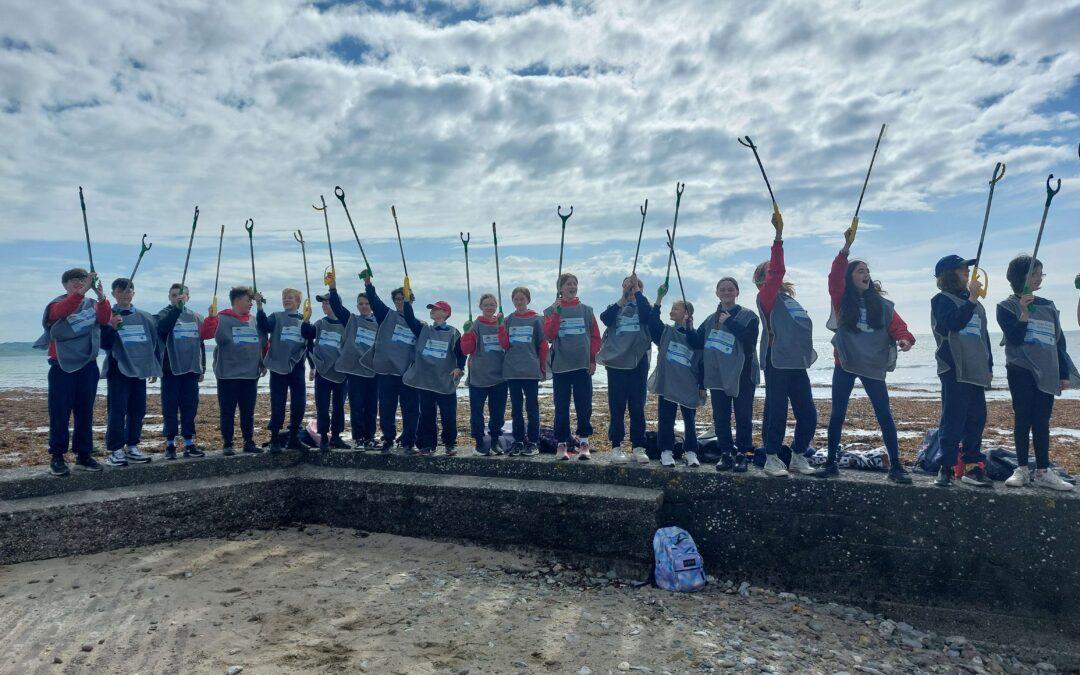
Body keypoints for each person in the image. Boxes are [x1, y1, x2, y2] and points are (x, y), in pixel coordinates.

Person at [822, 234, 915, 483]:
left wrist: (904, 340)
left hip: (872, 365)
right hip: (846, 362)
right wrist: (845, 250)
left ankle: (896, 467)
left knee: (884, 413)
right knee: (837, 414)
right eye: (860, 271)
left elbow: (898, 326)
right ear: (850, 277)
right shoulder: (841, 300)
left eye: (867, 271)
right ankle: (831, 463)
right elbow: (834, 278)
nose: (865, 274)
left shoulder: (882, 304)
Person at [998, 255, 1080, 491]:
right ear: (1020, 278)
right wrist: (1023, 312)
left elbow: (1059, 342)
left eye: (1040, 274)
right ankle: (1022, 469)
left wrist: (1063, 373)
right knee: (1022, 418)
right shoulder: (1006, 306)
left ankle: (1043, 471)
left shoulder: (1049, 305)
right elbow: (1014, 338)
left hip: (1047, 371)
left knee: (1042, 421)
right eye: (1034, 274)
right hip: (1020, 369)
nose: (1039, 278)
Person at [754, 212, 820, 477]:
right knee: (777, 411)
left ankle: (798, 454)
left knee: (808, 413)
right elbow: (777, 270)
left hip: (797, 362)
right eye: (769, 273)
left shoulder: (791, 300)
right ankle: (771, 456)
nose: (774, 275)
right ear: (763, 279)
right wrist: (778, 238)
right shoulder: (766, 296)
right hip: (777, 359)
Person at [37, 268, 112, 476]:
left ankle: (84, 455)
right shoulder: (56, 304)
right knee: (59, 413)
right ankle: (57, 457)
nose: (79, 282)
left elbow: (105, 319)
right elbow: (60, 313)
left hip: (88, 366)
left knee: (85, 412)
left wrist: (101, 295)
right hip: (61, 366)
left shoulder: (93, 304)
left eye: (82, 279)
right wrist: (82, 291)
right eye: (73, 280)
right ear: (65, 285)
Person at [930, 255, 993, 487]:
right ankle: (945, 467)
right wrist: (972, 300)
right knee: (953, 419)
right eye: (961, 269)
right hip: (954, 368)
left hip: (976, 368)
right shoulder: (941, 300)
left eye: (967, 268)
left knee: (977, 418)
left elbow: (983, 338)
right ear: (948, 274)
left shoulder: (976, 304)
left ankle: (973, 466)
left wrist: (989, 366)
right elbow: (951, 324)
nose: (967, 271)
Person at [100, 278, 162, 467]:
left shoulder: (145, 317)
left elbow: (153, 343)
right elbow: (105, 344)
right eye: (121, 291)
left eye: (129, 291)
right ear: (114, 294)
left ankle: (132, 446)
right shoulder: (108, 315)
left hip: (140, 371)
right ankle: (115, 449)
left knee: (138, 410)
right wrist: (111, 327)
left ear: (133, 293)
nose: (125, 294)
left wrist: (153, 366)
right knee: (117, 411)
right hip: (118, 370)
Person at [700, 277, 759, 473]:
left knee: (743, 416)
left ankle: (742, 454)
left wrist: (731, 322)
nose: (726, 293)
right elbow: (695, 342)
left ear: (737, 292)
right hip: (718, 377)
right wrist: (687, 326)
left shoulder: (749, 316)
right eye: (722, 290)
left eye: (730, 289)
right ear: (717, 293)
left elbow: (750, 342)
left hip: (743, 374)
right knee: (721, 417)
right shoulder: (710, 320)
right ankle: (726, 454)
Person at [156, 283, 218, 460]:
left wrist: (202, 368)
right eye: (174, 295)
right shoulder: (163, 313)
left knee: (189, 408)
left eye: (181, 295)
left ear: (188, 297)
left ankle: (189, 443)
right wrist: (176, 309)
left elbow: (201, 341)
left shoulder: (196, 317)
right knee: (169, 408)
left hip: (191, 370)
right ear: (170, 297)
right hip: (170, 370)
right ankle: (170, 444)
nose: (178, 298)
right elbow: (163, 328)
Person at [544, 273, 601, 460]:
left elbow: (595, 337)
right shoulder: (551, 310)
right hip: (561, 366)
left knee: (584, 405)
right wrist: (556, 314)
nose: (572, 287)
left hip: (582, 366)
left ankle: (583, 441)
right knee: (561, 406)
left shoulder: (586, 310)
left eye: (575, 284)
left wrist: (592, 359)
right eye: (568, 284)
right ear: (560, 288)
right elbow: (550, 336)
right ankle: (562, 444)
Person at [646, 288, 705, 467]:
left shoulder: (696, 335)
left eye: (676, 308)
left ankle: (691, 452)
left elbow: (700, 358)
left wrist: (702, 385)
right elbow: (651, 321)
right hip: (668, 383)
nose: (671, 311)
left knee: (690, 420)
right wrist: (658, 299)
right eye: (671, 308)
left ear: (686, 313)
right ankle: (666, 451)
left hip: (689, 384)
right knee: (665, 417)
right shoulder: (665, 332)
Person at [597, 273, 651, 463]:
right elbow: (605, 318)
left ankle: (638, 446)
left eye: (634, 287)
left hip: (638, 363)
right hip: (616, 363)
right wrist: (623, 296)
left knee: (637, 406)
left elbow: (648, 316)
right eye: (627, 287)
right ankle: (616, 446)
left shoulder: (644, 307)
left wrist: (637, 293)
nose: (630, 291)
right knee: (617, 406)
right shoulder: (616, 308)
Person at [361, 278, 419, 454]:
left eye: (404, 299)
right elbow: (375, 301)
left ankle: (409, 441)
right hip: (386, 372)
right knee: (386, 409)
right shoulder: (386, 315)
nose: (400, 302)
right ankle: (388, 439)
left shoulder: (418, 324)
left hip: (408, 375)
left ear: (410, 300)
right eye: (397, 299)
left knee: (411, 410)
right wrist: (368, 284)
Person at [402, 296, 465, 455]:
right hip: (425, 381)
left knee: (448, 416)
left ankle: (450, 443)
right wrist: (407, 303)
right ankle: (428, 445)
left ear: (445, 313)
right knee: (427, 415)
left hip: (444, 381)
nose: (432, 311)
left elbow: (461, 353)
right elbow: (409, 318)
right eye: (432, 309)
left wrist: (459, 367)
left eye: (436, 309)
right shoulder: (424, 329)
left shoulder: (454, 332)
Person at [327, 271, 380, 449]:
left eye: (367, 303)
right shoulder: (351, 320)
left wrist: (368, 284)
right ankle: (358, 438)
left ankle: (370, 437)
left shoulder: (380, 323)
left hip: (373, 371)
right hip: (354, 370)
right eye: (360, 304)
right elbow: (336, 306)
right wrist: (332, 288)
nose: (364, 306)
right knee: (356, 406)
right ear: (357, 306)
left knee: (372, 407)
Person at [214, 286, 266, 455]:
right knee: (227, 411)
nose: (250, 303)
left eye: (251, 301)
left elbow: (261, 342)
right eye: (248, 300)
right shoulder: (222, 318)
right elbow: (217, 338)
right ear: (237, 301)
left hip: (250, 375)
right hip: (228, 375)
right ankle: (228, 443)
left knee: (248, 411)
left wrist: (262, 362)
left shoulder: (253, 320)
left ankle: (248, 441)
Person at [258, 288, 310, 452]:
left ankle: (294, 438)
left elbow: (309, 343)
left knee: (299, 404)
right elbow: (264, 325)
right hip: (278, 367)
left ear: (298, 302)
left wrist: (314, 367)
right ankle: (274, 440)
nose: (286, 300)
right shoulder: (277, 316)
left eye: (290, 298)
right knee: (277, 404)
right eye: (284, 298)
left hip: (297, 368)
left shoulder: (304, 319)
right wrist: (259, 306)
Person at [499, 286, 546, 457]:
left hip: (530, 370)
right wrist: (500, 327)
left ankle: (532, 442)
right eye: (516, 299)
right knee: (516, 409)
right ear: (512, 301)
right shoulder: (508, 319)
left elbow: (542, 345)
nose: (519, 302)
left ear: (528, 300)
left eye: (522, 299)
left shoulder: (536, 319)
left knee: (532, 407)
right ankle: (518, 441)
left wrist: (542, 368)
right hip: (512, 370)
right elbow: (504, 345)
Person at [460, 293, 508, 456]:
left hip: (500, 376)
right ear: (480, 307)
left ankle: (495, 442)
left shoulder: (502, 323)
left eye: (492, 304)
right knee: (476, 412)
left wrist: (502, 327)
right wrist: (466, 334)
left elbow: (506, 344)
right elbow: (466, 350)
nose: (489, 307)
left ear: (496, 307)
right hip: (478, 377)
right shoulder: (475, 325)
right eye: (486, 304)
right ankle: (480, 443)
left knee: (498, 413)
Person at [309, 293, 350, 450]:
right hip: (323, 372)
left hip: (340, 373)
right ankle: (324, 437)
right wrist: (313, 365)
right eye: (323, 303)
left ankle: (336, 436)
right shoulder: (319, 323)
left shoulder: (345, 324)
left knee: (339, 406)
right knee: (322, 406)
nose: (324, 306)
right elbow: (308, 340)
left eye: (327, 303)